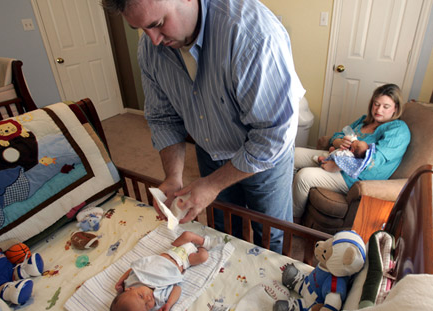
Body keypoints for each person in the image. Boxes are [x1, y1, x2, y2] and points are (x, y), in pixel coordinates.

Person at [102, 0, 305, 252]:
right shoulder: (150, 47)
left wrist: (212, 184)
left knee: (272, 235)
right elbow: (163, 117)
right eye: (142, 29)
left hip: (265, 158)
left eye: (158, 24)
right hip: (211, 150)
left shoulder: (253, 35)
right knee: (224, 230)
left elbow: (272, 135)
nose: (153, 39)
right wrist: (174, 177)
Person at [292, 83, 410, 219]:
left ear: (396, 108)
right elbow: (338, 135)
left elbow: (373, 160)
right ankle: (283, 199)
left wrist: (338, 165)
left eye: (386, 106)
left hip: (356, 176)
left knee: (304, 177)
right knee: (294, 154)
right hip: (337, 155)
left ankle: (292, 221)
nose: (379, 110)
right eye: (376, 104)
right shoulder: (364, 120)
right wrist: (339, 142)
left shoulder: (398, 130)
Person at [110, 231, 222, 311]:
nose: (148, 299)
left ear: (130, 289)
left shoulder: (132, 281)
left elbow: (134, 268)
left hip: (171, 251)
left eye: (140, 296)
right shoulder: (159, 297)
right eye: (146, 307)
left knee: (187, 235)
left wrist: (121, 280)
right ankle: (203, 246)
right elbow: (177, 288)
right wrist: (169, 304)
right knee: (203, 256)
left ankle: (203, 241)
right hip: (185, 260)